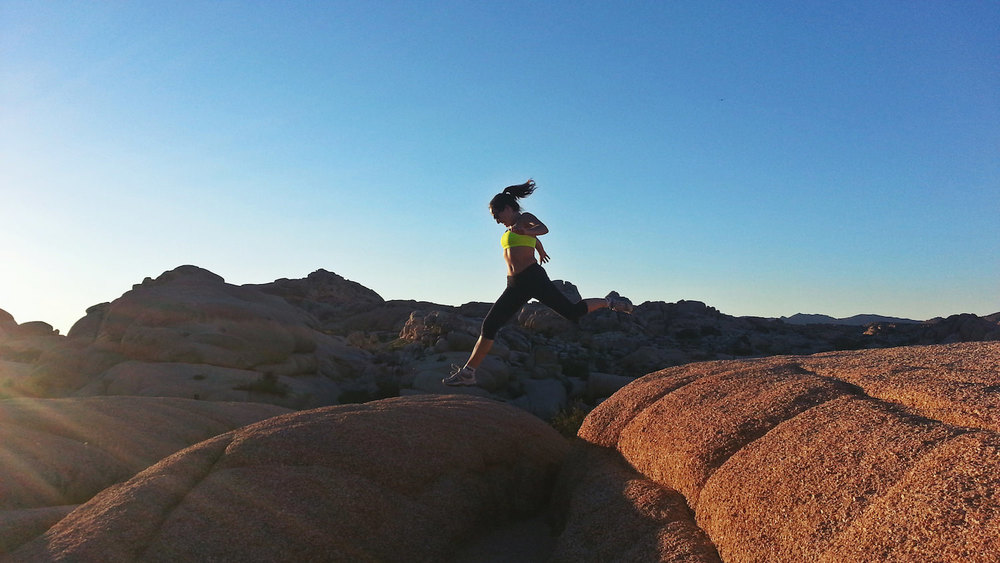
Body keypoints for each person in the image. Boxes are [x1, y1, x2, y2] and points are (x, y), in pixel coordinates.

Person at [443, 179, 633, 386]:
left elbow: (543, 228)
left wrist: (527, 232)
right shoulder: (509, 230)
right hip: (514, 284)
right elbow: (533, 239)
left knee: (572, 312)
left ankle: (609, 302)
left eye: (497, 215)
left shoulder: (524, 218)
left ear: (507, 208)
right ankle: (468, 373)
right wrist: (539, 248)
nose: (497, 220)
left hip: (533, 278)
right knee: (490, 325)